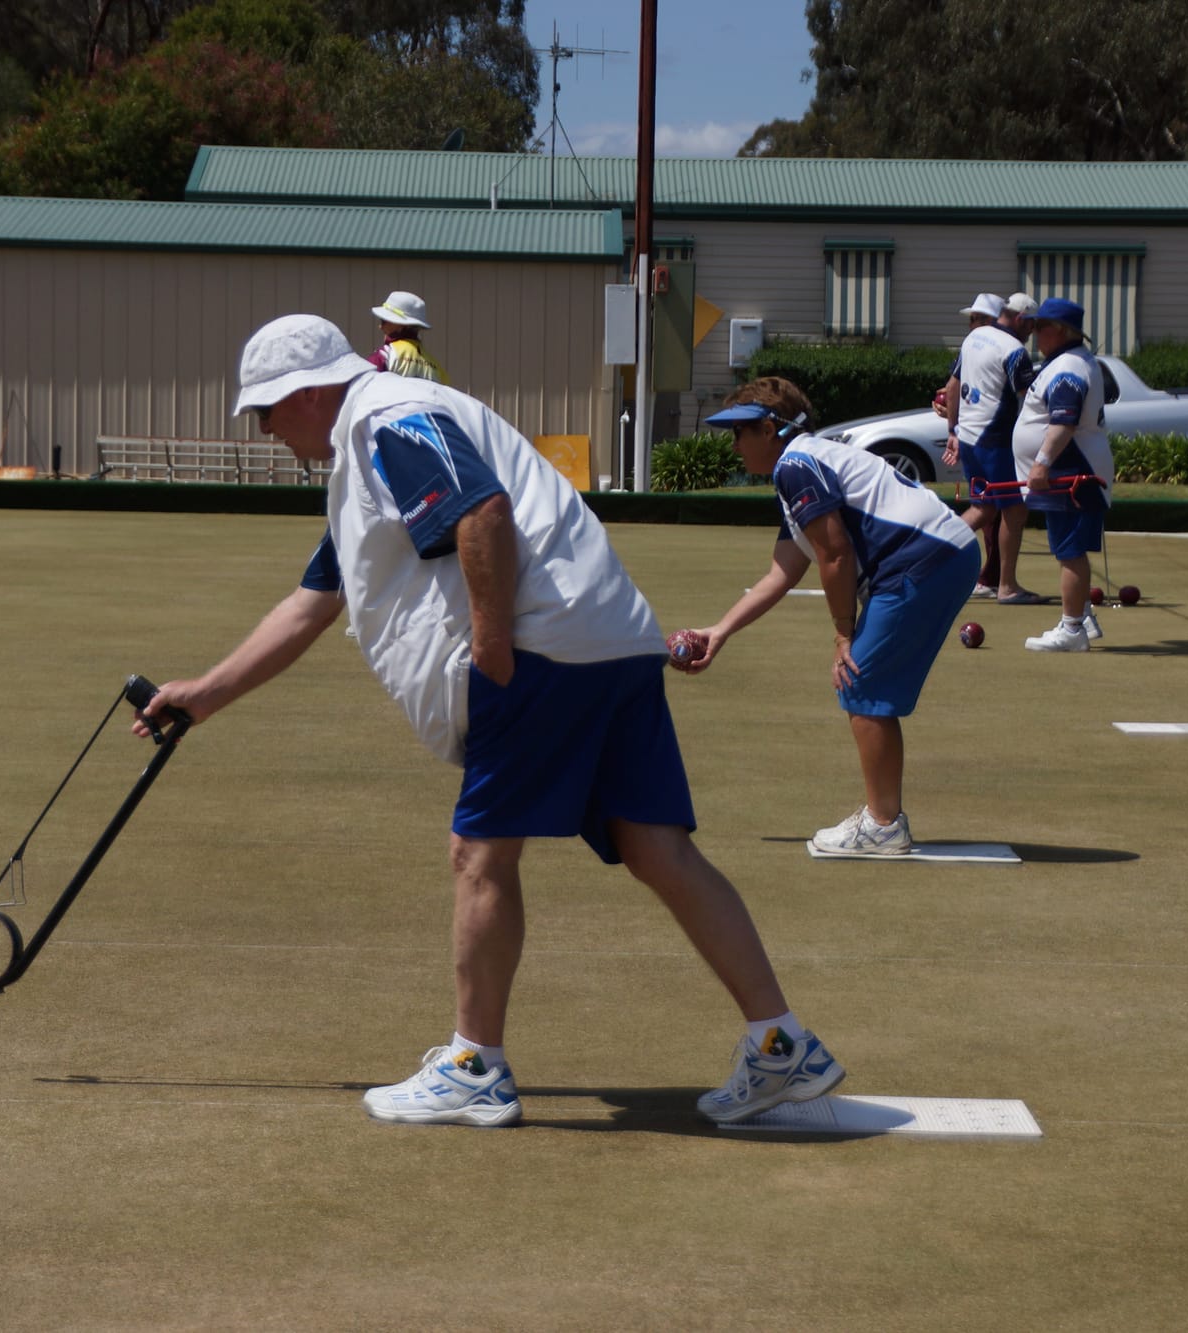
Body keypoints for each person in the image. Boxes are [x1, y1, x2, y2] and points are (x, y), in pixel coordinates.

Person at [136, 315, 844, 1127]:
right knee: (657, 846)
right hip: (614, 639)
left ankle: (475, 1064)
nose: (263, 429)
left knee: (479, 853)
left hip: (542, 648)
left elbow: (481, 513)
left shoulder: (383, 419)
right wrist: (207, 693)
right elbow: (313, 603)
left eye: (266, 409)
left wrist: (492, 642)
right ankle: (783, 1042)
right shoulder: (380, 439)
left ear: (308, 392)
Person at [678, 376, 980, 857]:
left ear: (773, 429)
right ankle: (883, 818)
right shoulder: (807, 463)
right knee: (866, 684)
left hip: (921, 559)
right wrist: (719, 631)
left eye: (741, 432)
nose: (734, 446)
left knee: (859, 679)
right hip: (943, 554)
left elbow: (835, 553)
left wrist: (843, 635)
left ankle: (883, 825)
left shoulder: (796, 465)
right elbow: (784, 570)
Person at [1013, 298, 1114, 652]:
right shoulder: (1069, 362)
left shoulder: (1068, 367)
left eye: (1041, 326)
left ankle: (1072, 629)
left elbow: (1064, 421)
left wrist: (1040, 462)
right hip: (1075, 468)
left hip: (1072, 470)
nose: (1034, 333)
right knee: (1070, 549)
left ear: (1061, 331)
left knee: (1069, 551)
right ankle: (1082, 617)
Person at [940, 293, 1039, 605]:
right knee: (1014, 508)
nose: (1032, 333)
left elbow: (953, 387)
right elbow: (1030, 401)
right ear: (1022, 319)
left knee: (984, 507)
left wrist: (952, 431)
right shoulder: (1015, 351)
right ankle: (1007, 586)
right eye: (1032, 326)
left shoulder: (975, 337)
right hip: (995, 440)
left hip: (968, 438)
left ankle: (935, 548)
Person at [366, 290, 448, 383]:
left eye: (384, 321)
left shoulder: (385, 355)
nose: (380, 327)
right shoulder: (437, 369)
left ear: (400, 324)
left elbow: (363, 387)